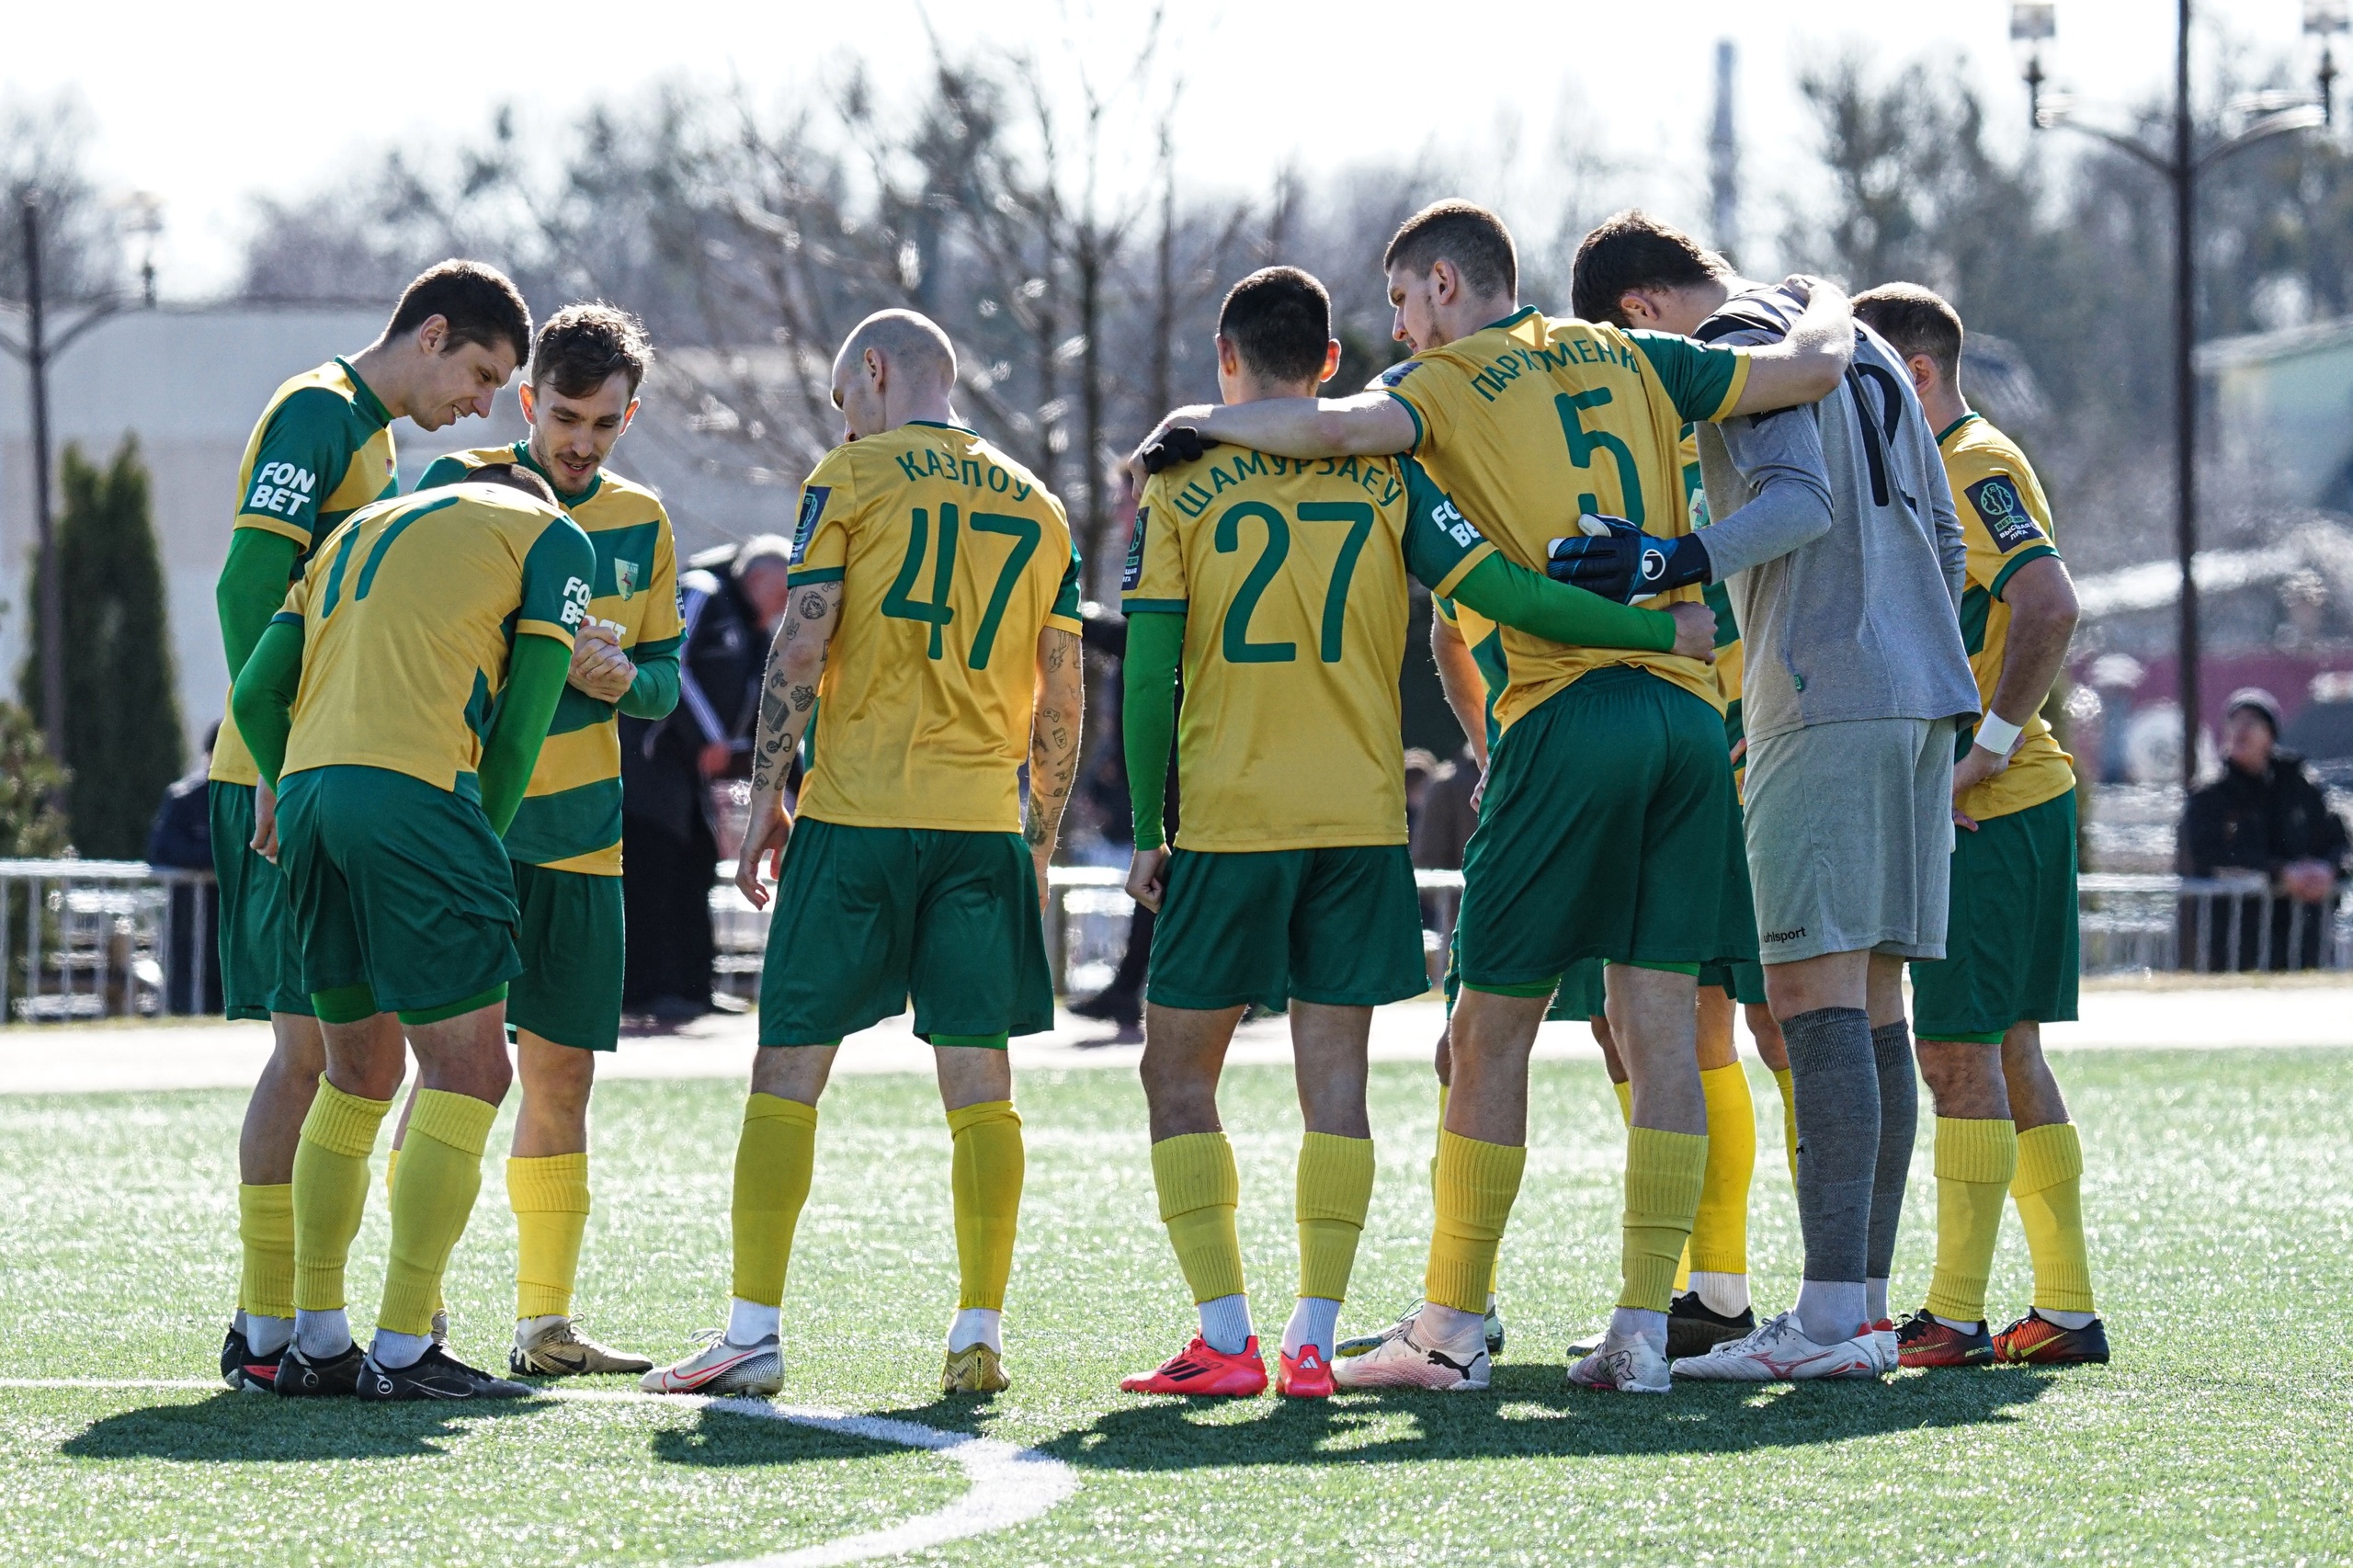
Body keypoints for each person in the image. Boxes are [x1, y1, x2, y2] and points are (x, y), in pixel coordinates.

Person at [1132, 199, 1850, 1394]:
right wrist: (1822, 294)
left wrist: (1198, 419)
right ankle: (1644, 1326)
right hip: (1685, 712)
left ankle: (1452, 1325)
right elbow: (1810, 361)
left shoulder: (1444, 380)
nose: (1398, 328)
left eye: (1404, 302)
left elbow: (1333, 425)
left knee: (1488, 1033)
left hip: (1563, 721)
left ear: (1447, 289)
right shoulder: (1636, 354)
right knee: (1661, 1027)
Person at [642, 309, 1085, 1401]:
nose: (846, 417)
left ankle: (752, 1331)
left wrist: (761, 802)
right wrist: (1038, 836)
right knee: (981, 1085)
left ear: (874, 373)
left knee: (788, 1067)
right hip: (982, 823)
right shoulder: (1037, 503)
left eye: (848, 395)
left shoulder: (848, 475)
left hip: (855, 817)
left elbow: (802, 636)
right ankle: (978, 1324)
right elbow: (1064, 688)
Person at [1568, 211, 1979, 1383]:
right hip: (1913, 692)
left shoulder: (1747, 346)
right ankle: (1862, 1305)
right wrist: (1906, 648)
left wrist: (1671, 558)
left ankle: (1831, 1316)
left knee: (1809, 996)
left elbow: (1795, 500)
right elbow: (1943, 538)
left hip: (1826, 696)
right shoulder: (1860, 348)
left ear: (1639, 312)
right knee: (1877, 1000)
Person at [210, 260, 533, 1392]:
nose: (482, 405)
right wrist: (277, 762)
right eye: (481, 373)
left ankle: (297, 1332)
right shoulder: (321, 410)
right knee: (315, 1058)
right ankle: (270, 1328)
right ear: (432, 333)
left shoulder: (375, 441)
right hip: (284, 773)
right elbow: (245, 591)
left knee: (349, 1057)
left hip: (307, 773)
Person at [231, 462, 595, 1401]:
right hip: (422, 798)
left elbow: (252, 697)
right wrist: (479, 842)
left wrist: (303, 783)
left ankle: (316, 1336)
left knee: (355, 1075)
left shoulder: (353, 532)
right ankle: (402, 1345)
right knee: (471, 1069)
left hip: (308, 794)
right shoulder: (553, 535)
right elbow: (519, 731)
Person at [404, 303, 682, 1378]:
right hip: (466, 826)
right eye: (565, 416)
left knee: (561, 1076)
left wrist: (620, 676)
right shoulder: (454, 486)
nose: (582, 441)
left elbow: (663, 679)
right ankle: (414, 1309)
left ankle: (544, 1325)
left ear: (628, 415)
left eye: (605, 424)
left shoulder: (642, 518)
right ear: (528, 401)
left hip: (585, 839)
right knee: (445, 1069)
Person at [1850, 282, 2109, 1369]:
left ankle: (1953, 1315)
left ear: (1911, 376)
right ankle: (2064, 1305)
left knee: (1957, 1055)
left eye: (1863, 382)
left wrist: (1987, 750)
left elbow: (2049, 603)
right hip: (2010, 807)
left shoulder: (1974, 460)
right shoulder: (1938, 463)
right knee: (2004, 1054)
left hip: (1993, 810)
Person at [619, 538, 793, 1018]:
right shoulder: (702, 593)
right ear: (758, 579)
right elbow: (676, 664)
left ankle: (692, 989)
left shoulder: (758, 633)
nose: (786, 607)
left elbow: (766, 711)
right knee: (651, 871)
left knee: (695, 868)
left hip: (691, 780)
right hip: (649, 765)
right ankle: (643, 991)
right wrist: (710, 738)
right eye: (782, 594)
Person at [2180, 689, 2349, 971]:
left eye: (2252, 723)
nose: (2240, 731)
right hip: (2234, 944)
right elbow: (2208, 855)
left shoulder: (2299, 786)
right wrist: (2280, 873)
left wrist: (2328, 870)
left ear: (2271, 734)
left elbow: (2338, 841)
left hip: (2302, 941)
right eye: (2234, 722)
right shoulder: (2211, 794)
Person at [150, 723, 223, 1016]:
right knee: (186, 1002)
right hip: (188, 923)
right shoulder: (183, 797)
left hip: (235, 928)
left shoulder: (257, 798)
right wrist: (221, 858)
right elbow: (161, 849)